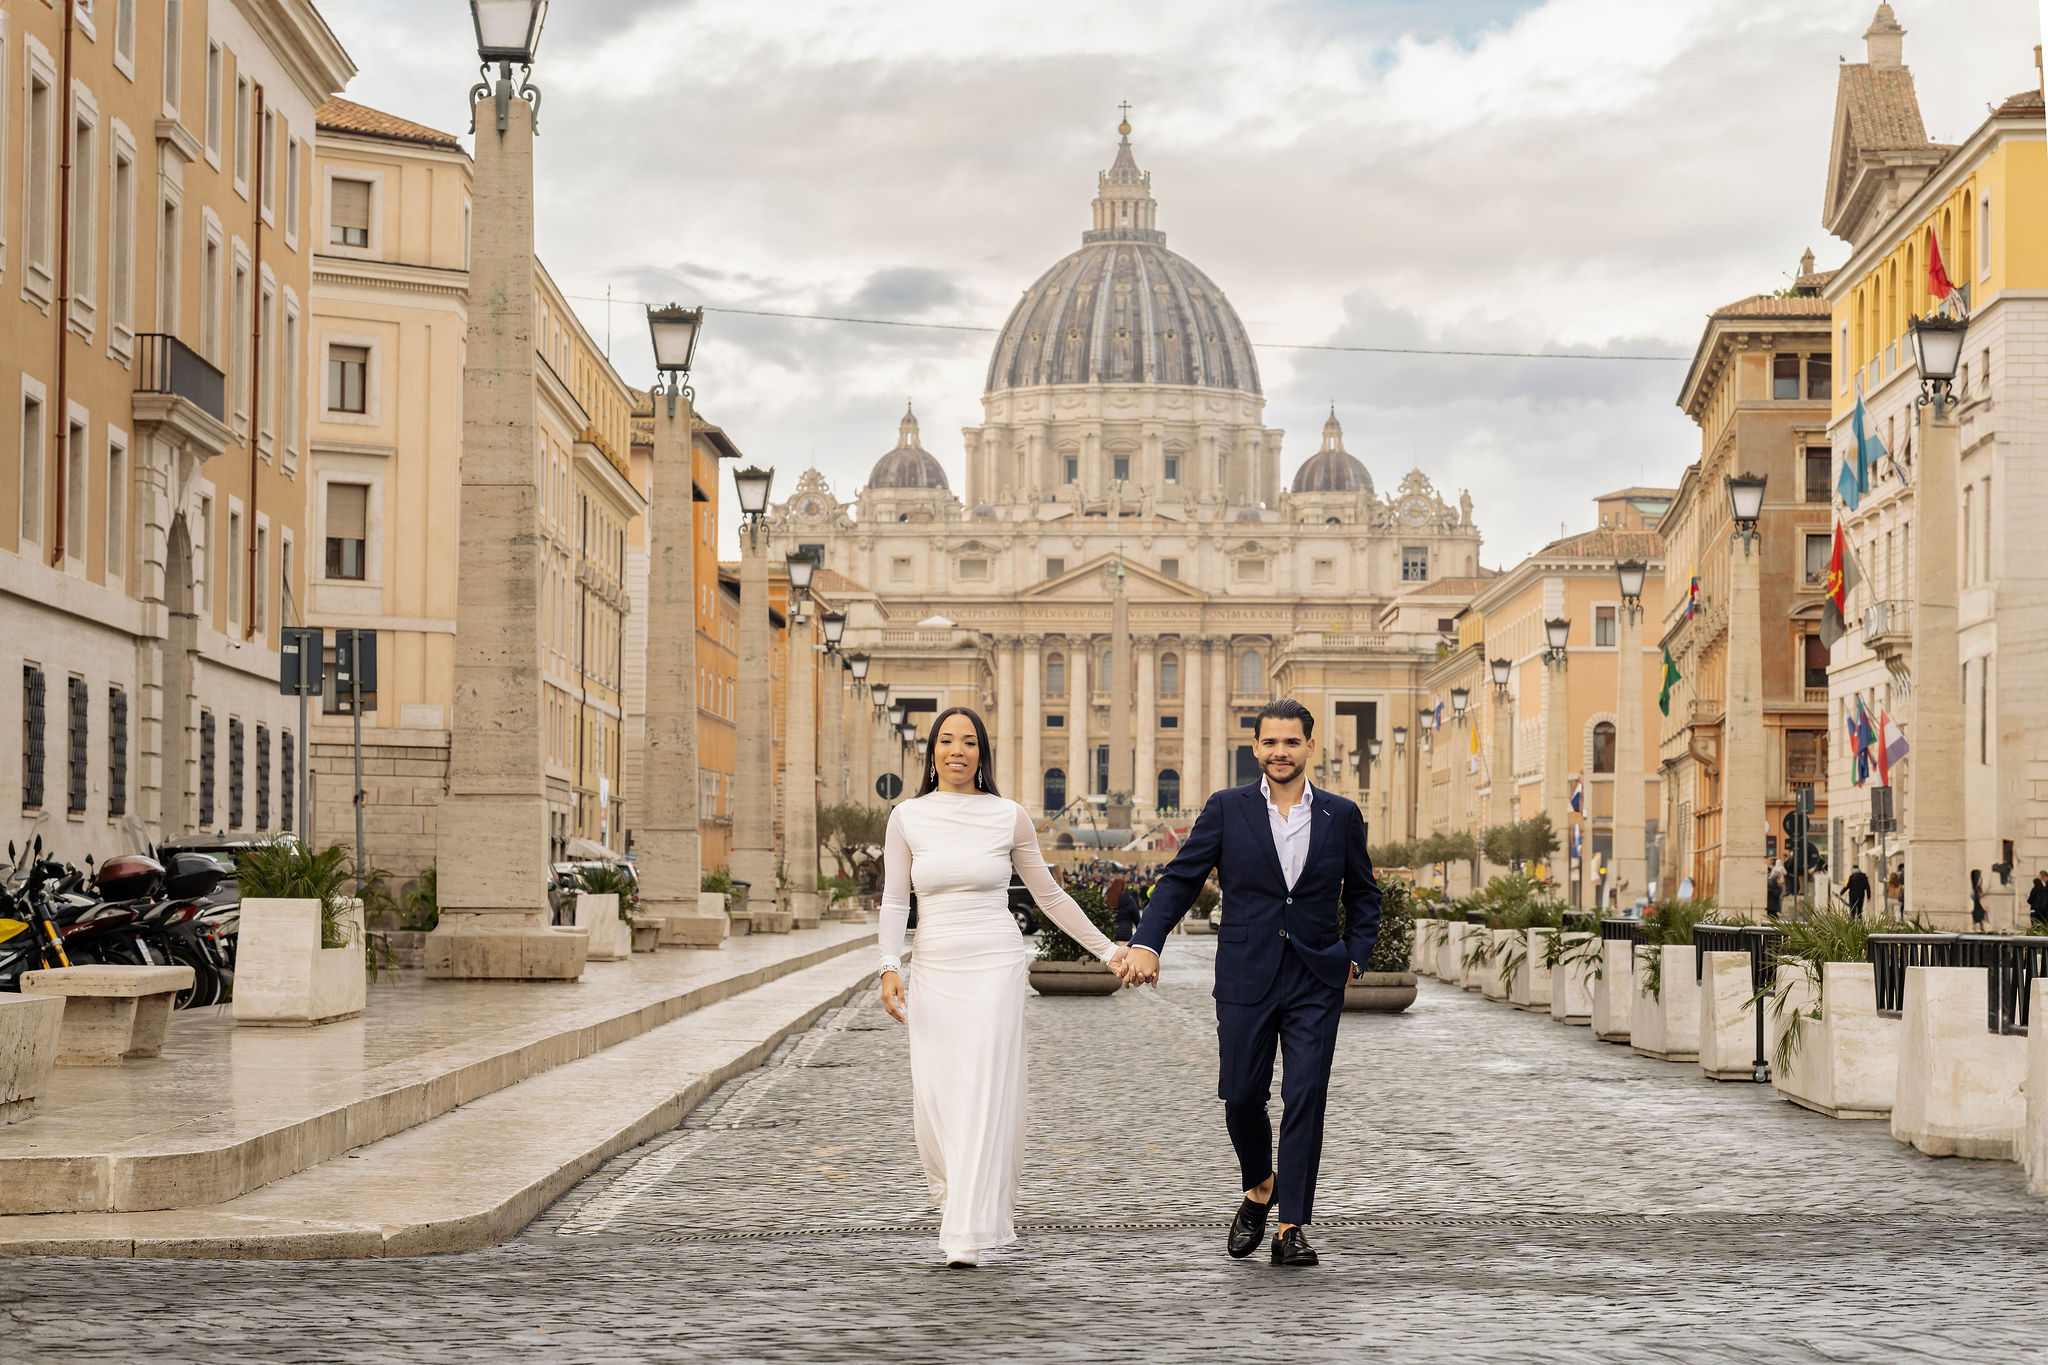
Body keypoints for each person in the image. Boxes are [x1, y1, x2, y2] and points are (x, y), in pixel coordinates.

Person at [1118, 698, 1380, 1268]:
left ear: (1310, 746)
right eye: (1270, 742)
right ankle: (1261, 1185)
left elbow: (1364, 895)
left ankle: (1292, 1227)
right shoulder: (1226, 809)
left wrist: (1355, 958)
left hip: (1316, 975)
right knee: (1240, 1096)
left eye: (1291, 742)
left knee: (1306, 1095)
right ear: (1255, 747)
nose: (1280, 752)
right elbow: (1181, 878)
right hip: (1245, 973)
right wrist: (1147, 941)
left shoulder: (1341, 814)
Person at [876, 707, 1128, 1268]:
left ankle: (964, 1229)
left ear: (982, 754)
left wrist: (1109, 952)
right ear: (933, 753)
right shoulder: (907, 818)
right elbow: (896, 900)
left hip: (994, 962)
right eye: (947, 741)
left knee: (981, 1088)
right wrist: (889, 964)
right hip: (935, 965)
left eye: (969, 742)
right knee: (936, 1096)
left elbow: (1051, 896)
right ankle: (956, 1201)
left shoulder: (1008, 815)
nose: (957, 750)